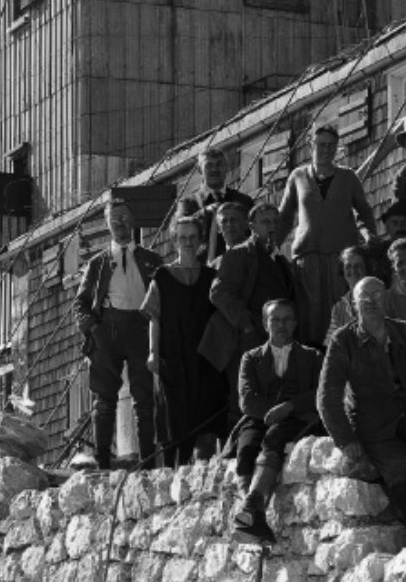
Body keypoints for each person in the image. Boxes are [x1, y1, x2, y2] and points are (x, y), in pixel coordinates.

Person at [317, 275, 406, 543]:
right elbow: (327, 396)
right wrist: (346, 439)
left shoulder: (404, 332)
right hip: (374, 426)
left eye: (377, 295)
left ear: (386, 300)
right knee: (400, 466)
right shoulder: (343, 340)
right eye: (364, 297)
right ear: (354, 305)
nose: (370, 301)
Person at [75, 199, 158, 467]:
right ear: (108, 225)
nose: (120, 224)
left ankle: (147, 460)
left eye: (123, 218)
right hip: (107, 330)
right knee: (104, 398)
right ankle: (102, 462)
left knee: (144, 397)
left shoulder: (151, 260)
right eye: (114, 220)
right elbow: (80, 304)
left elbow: (164, 297)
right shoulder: (97, 264)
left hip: (141, 328)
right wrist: (93, 328)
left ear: (132, 222)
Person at [229, 300, 320, 543]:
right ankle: (251, 515)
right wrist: (272, 411)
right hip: (258, 419)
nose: (281, 325)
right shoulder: (251, 358)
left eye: (287, 319)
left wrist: (289, 407)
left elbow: (320, 393)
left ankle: (249, 511)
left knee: (274, 438)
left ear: (295, 323)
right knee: (246, 447)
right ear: (265, 323)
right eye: (275, 319)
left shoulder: (312, 357)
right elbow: (247, 399)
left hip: (297, 419)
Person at [282, 122, 377, 339]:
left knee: (343, 312)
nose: (326, 150)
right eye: (321, 145)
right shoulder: (297, 177)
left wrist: (369, 237)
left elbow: (364, 211)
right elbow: (285, 217)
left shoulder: (348, 177)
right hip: (308, 258)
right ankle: (313, 355)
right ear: (311, 146)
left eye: (331, 145)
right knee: (311, 316)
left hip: (341, 260)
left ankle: (345, 352)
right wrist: (271, 247)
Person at [150, 222, 231, 461]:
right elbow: (154, 318)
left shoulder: (211, 277)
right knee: (173, 418)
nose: (188, 242)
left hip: (204, 358)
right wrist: (153, 352)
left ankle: (204, 469)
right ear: (175, 241)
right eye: (183, 237)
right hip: (173, 356)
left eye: (193, 237)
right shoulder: (162, 277)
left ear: (200, 241)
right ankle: (169, 472)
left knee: (206, 416)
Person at [209, 198, 297, 368]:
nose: (272, 226)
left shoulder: (282, 261)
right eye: (266, 222)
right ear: (252, 226)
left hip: (276, 341)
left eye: (275, 222)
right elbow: (219, 293)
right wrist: (247, 325)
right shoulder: (238, 254)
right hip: (246, 343)